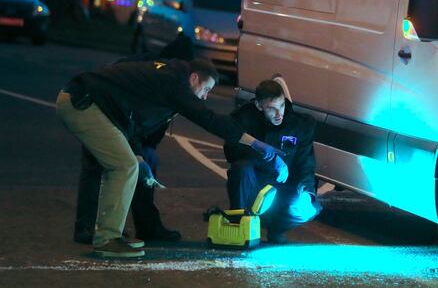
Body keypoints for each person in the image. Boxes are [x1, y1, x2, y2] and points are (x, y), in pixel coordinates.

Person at [56, 57, 278, 258]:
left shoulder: (169, 78)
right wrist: (256, 143)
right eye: (206, 89)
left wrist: (140, 156)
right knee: (123, 167)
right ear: (193, 78)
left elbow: (129, 120)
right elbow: (208, 119)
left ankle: (107, 234)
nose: (205, 97)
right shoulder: (174, 82)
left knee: (126, 165)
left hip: (97, 105)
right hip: (84, 102)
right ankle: (106, 239)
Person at [73, 35, 196, 245]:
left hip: (116, 117)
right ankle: (91, 228)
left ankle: (144, 225)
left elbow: (152, 120)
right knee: (99, 167)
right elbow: (134, 114)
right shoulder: (155, 73)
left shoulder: (160, 72)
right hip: (99, 111)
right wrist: (142, 149)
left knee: (139, 164)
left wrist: (146, 149)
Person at [225, 77, 321, 244]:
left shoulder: (300, 124)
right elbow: (232, 151)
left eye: (282, 106)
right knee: (241, 168)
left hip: (284, 189)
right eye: (271, 109)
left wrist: (306, 192)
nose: (279, 114)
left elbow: (305, 163)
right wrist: (270, 159)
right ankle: (239, 225)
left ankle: (276, 229)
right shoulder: (244, 118)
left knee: (309, 208)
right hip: (255, 186)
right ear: (259, 105)